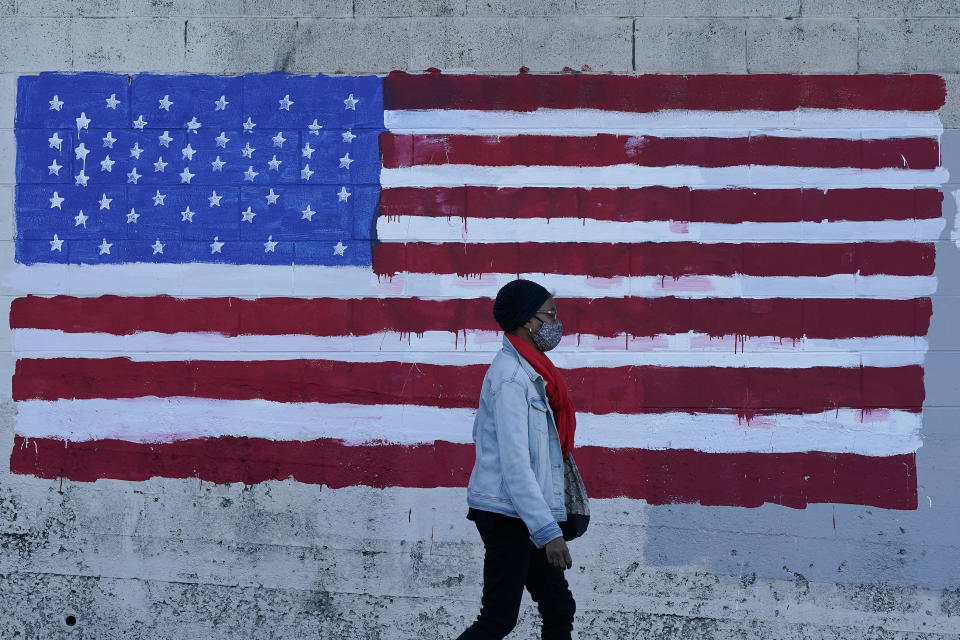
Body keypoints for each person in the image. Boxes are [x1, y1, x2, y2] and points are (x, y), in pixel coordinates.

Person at [455, 279, 578, 640]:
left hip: (523, 510)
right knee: (498, 618)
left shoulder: (532, 372)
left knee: (558, 608)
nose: (556, 323)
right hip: (506, 514)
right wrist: (547, 531)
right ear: (527, 320)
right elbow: (515, 464)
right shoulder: (511, 378)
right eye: (550, 314)